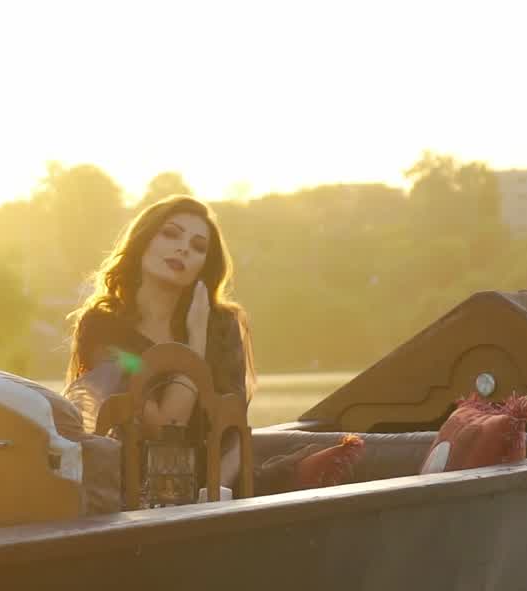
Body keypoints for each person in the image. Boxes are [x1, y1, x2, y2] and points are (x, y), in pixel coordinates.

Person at [64, 195, 360, 503]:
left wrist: (217, 494)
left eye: (198, 247)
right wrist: (195, 342)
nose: (183, 248)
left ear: (203, 266)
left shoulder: (221, 325)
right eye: (170, 234)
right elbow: (167, 427)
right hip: (138, 491)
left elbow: (231, 432)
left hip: (219, 487)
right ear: (143, 241)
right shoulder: (105, 328)